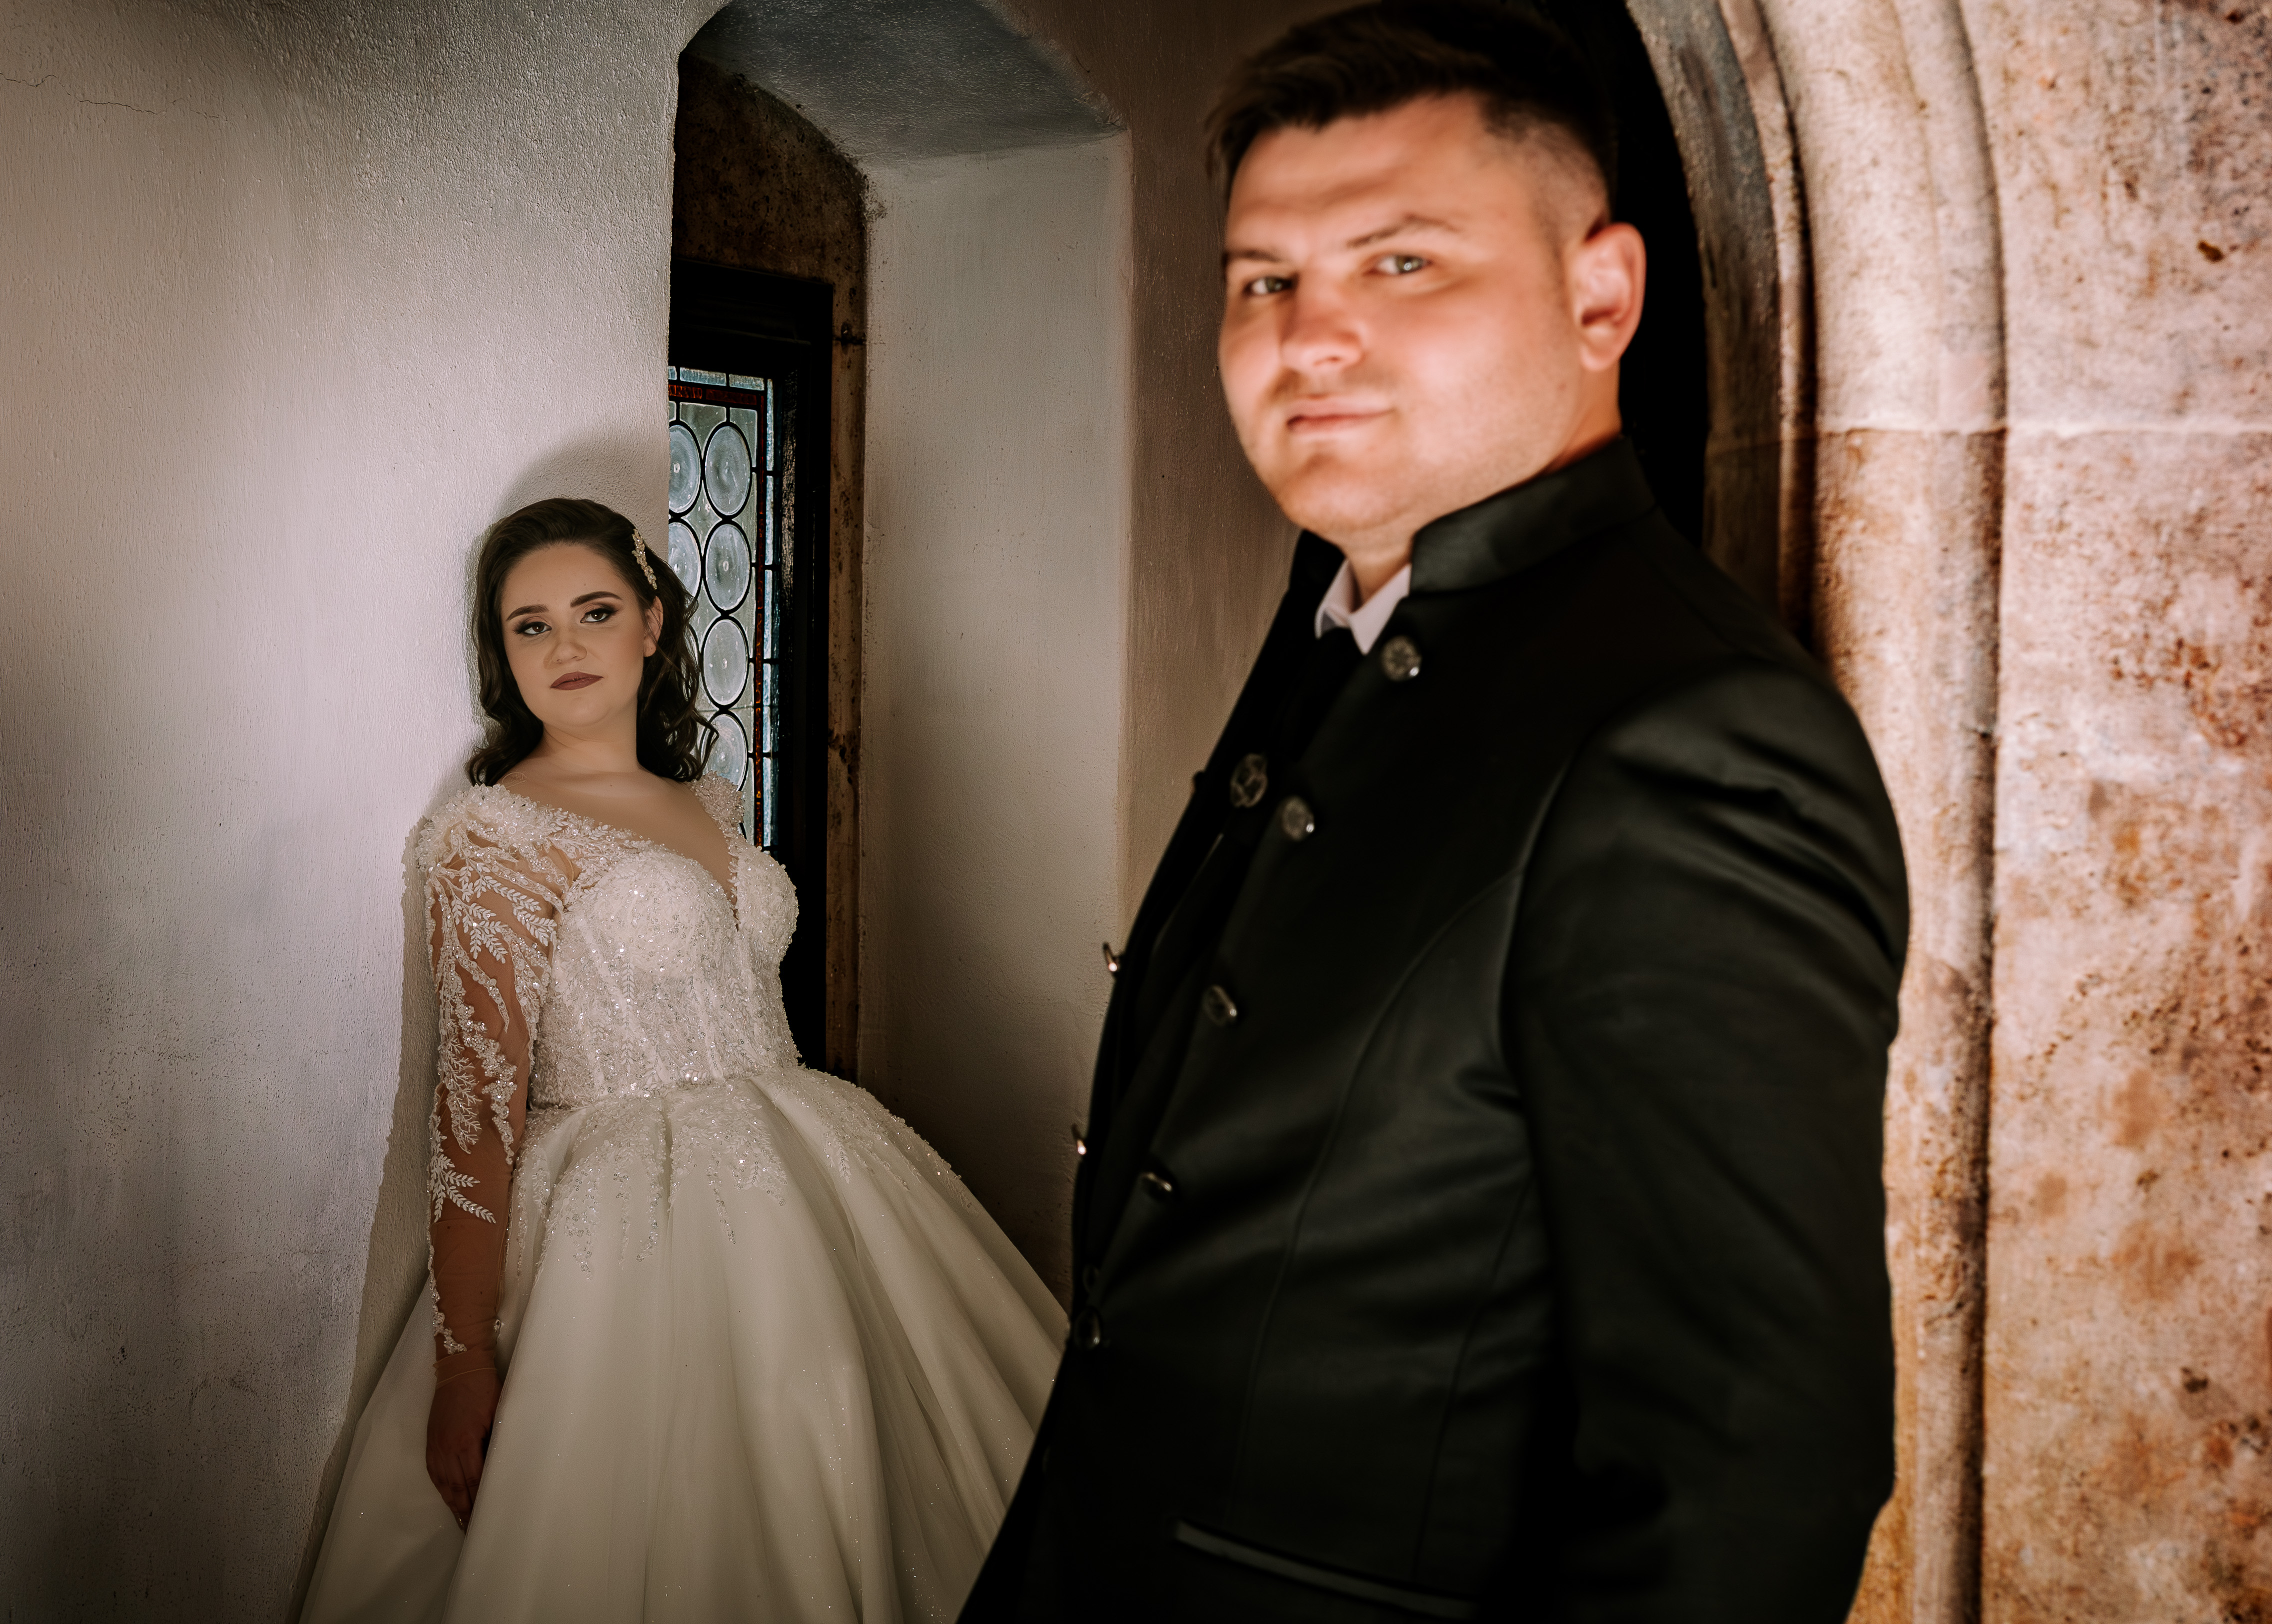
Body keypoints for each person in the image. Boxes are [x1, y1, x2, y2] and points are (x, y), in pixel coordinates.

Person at [960, 5, 1907, 1621]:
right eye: (1263, 280)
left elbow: (1748, 1477)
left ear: (1600, 297)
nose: (1309, 338)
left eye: (1399, 263)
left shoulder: (1692, 738)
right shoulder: (1337, 611)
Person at [303, 497, 1064, 1624]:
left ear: (652, 622)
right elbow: (473, 1110)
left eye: (595, 612)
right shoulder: (494, 835)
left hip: (812, 1159)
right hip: (619, 1209)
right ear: (500, 653)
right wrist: (462, 1363)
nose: (564, 647)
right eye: (529, 626)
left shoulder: (707, 798)